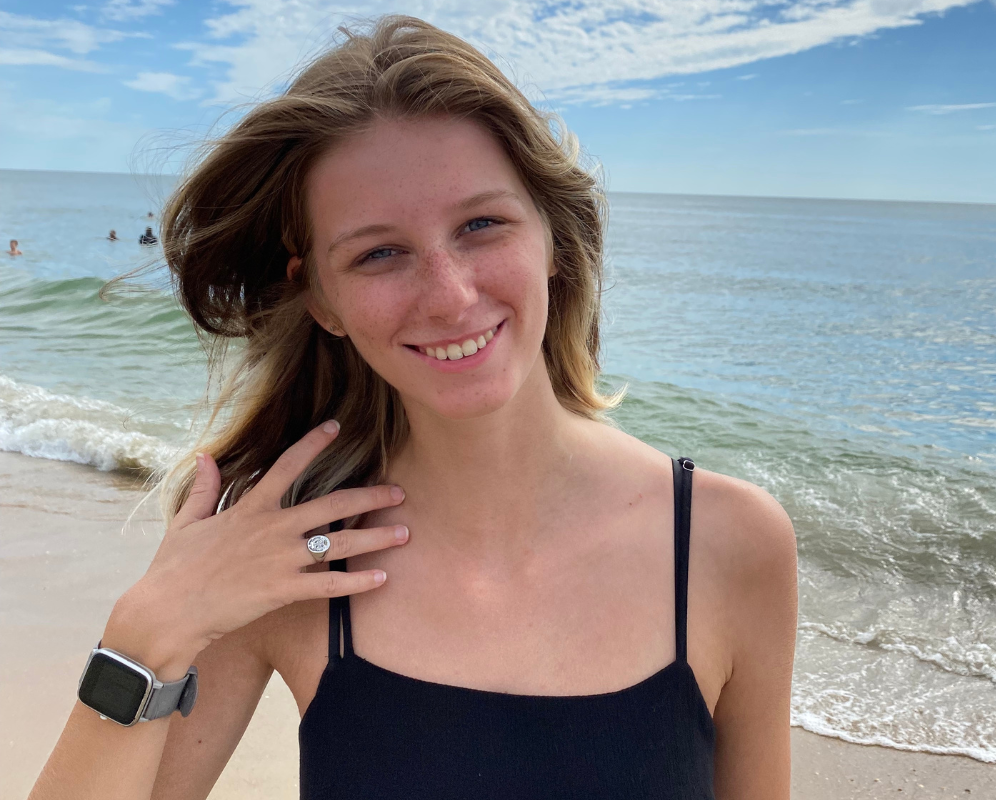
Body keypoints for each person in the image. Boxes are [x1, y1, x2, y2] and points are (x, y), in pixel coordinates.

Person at [28, 15, 797, 800]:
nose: (451, 294)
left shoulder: (730, 543)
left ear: (554, 240)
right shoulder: (288, 554)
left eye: (482, 224)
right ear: (320, 297)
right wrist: (148, 630)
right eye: (379, 253)